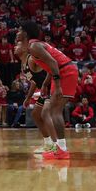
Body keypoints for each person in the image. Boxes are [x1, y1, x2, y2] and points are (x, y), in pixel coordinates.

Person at [16, 21, 77, 160]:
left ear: (26, 33)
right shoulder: (34, 46)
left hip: (65, 71)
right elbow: (51, 65)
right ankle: (56, 146)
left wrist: (58, 85)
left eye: (20, 30)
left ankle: (61, 149)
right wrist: (44, 84)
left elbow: (54, 63)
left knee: (54, 111)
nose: (17, 32)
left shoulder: (34, 46)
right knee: (46, 111)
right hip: (60, 72)